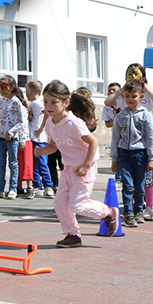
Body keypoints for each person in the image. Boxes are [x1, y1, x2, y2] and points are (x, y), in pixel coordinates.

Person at [35, 80, 119, 247]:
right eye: (45, 101)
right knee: (60, 203)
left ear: (66, 103)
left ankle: (108, 212)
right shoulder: (51, 123)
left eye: (54, 102)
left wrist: (86, 165)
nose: (49, 106)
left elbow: (93, 142)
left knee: (77, 204)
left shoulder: (73, 123)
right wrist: (43, 150)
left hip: (84, 168)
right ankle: (73, 235)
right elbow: (53, 146)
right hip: (68, 169)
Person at [111, 81, 153, 227]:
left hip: (140, 154)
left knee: (139, 185)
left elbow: (150, 137)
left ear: (141, 96)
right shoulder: (120, 116)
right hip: (124, 153)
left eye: (134, 96)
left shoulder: (145, 115)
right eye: (127, 96)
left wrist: (151, 158)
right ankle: (128, 213)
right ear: (123, 97)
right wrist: (114, 158)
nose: (130, 99)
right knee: (127, 185)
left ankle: (138, 211)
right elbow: (115, 138)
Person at [26, 80, 56, 199]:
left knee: (42, 163)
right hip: (36, 137)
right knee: (36, 163)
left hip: (39, 138)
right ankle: (37, 185)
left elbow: (47, 113)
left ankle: (48, 185)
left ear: (29, 91)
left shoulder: (35, 104)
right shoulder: (36, 103)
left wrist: (41, 128)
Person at [14, 88, 34, 198]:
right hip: (15, 140)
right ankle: (18, 186)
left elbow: (23, 126)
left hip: (24, 139)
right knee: (17, 164)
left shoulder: (22, 109)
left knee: (26, 164)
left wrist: (22, 140)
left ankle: (30, 187)